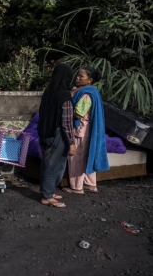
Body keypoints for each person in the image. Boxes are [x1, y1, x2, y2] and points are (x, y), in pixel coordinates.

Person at [62, 66, 109, 194]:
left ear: (90, 80)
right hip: (87, 131)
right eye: (77, 75)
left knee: (76, 159)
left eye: (81, 76)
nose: (77, 78)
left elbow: (78, 114)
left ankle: (77, 187)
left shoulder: (86, 94)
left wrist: (64, 111)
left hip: (80, 130)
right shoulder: (90, 91)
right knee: (87, 157)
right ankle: (90, 184)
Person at [37, 63, 76, 208]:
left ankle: (49, 191)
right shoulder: (64, 96)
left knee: (47, 165)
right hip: (57, 134)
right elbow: (67, 122)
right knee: (54, 166)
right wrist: (71, 142)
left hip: (44, 132)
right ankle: (47, 197)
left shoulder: (48, 92)